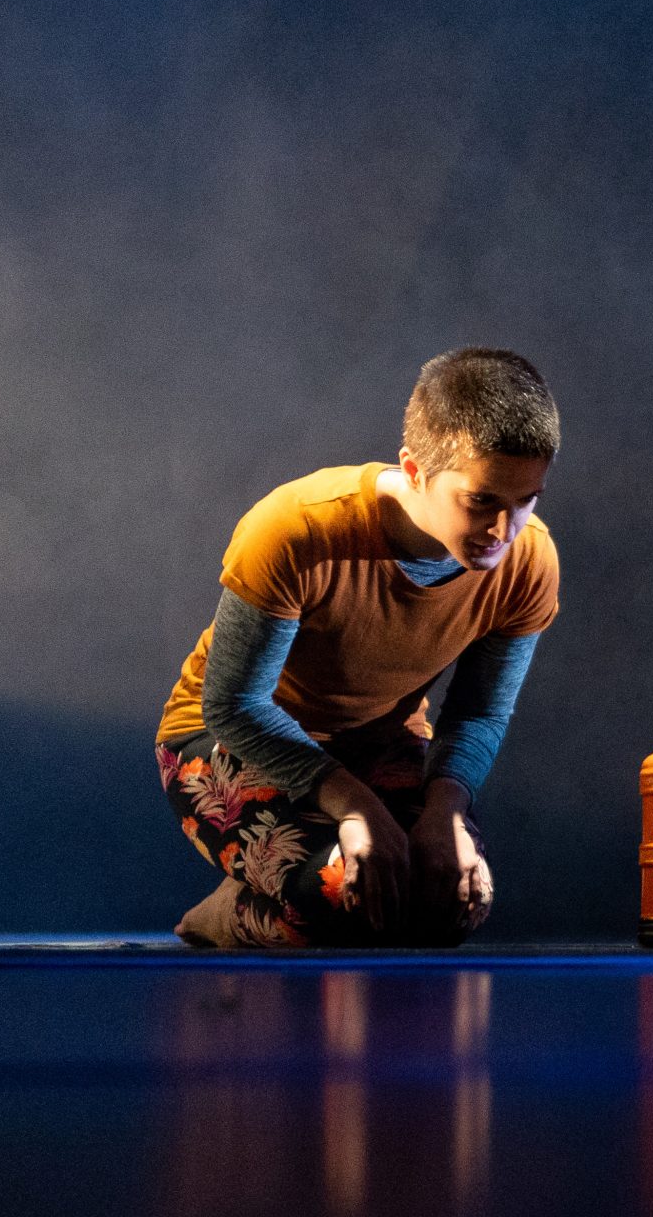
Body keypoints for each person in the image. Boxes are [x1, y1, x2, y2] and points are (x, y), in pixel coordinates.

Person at [158, 348, 560, 948]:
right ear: (416, 470)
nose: (504, 531)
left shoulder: (529, 562)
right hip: (227, 742)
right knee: (343, 898)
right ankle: (226, 915)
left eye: (526, 501)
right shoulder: (296, 529)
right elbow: (235, 705)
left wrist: (446, 811)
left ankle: (281, 895)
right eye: (481, 501)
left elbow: (479, 712)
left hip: (380, 744)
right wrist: (355, 807)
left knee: (451, 904)